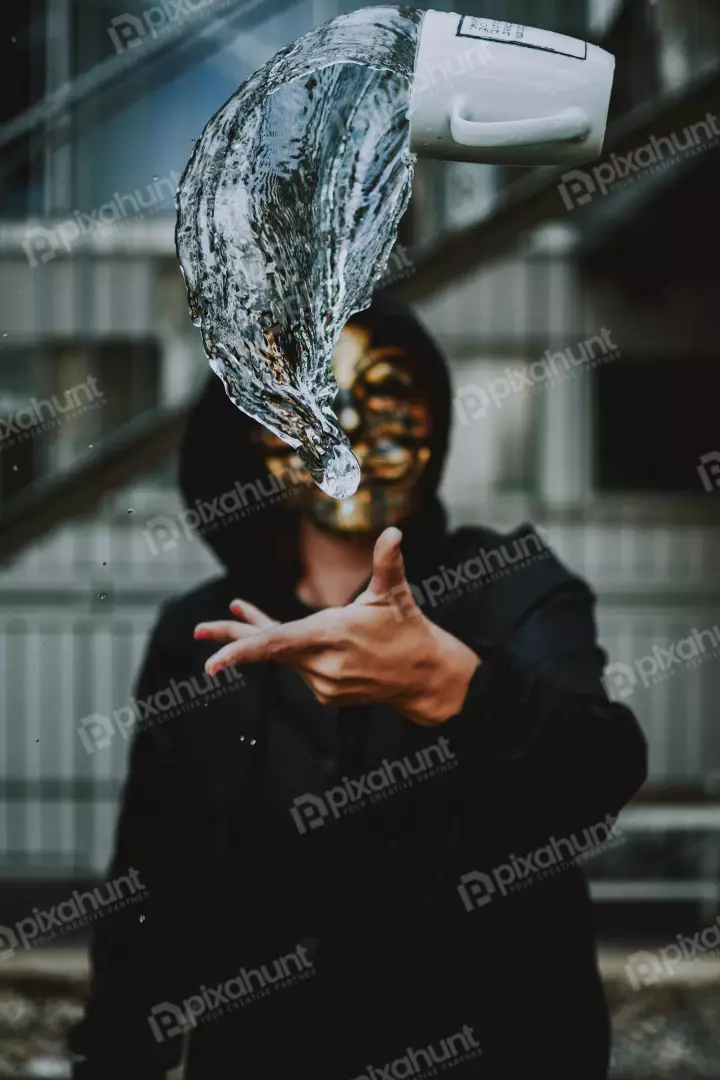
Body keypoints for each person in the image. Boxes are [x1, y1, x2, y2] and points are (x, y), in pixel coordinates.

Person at [68, 291, 647, 1080]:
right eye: (312, 394)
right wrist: (116, 1057)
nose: (351, 423)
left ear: (433, 417)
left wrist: (456, 685)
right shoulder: (199, 635)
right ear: (256, 427)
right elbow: (151, 881)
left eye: (386, 391)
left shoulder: (509, 583)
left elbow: (598, 774)